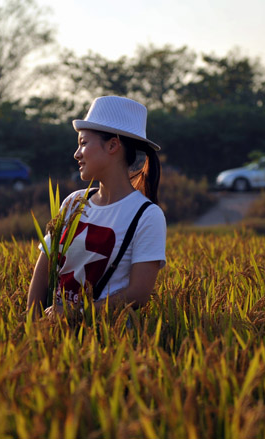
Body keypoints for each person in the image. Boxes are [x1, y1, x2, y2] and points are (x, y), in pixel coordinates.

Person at [27, 96, 167, 316]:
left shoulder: (147, 215)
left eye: (83, 143)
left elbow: (138, 294)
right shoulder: (74, 202)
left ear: (112, 145)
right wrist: (32, 319)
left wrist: (76, 314)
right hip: (52, 335)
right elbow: (44, 266)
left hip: (108, 340)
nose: (76, 154)